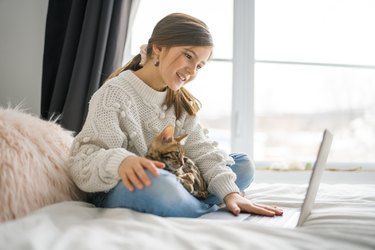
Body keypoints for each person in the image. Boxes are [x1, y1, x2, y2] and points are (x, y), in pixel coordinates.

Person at [69, 12, 283, 218]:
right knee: (160, 184)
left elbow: (202, 151)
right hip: (120, 187)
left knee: (243, 165)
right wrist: (122, 162)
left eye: (199, 65)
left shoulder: (179, 101)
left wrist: (231, 193)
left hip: (170, 179)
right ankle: (198, 206)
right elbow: (83, 160)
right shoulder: (114, 92)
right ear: (159, 47)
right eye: (188, 56)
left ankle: (184, 203)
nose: (192, 71)